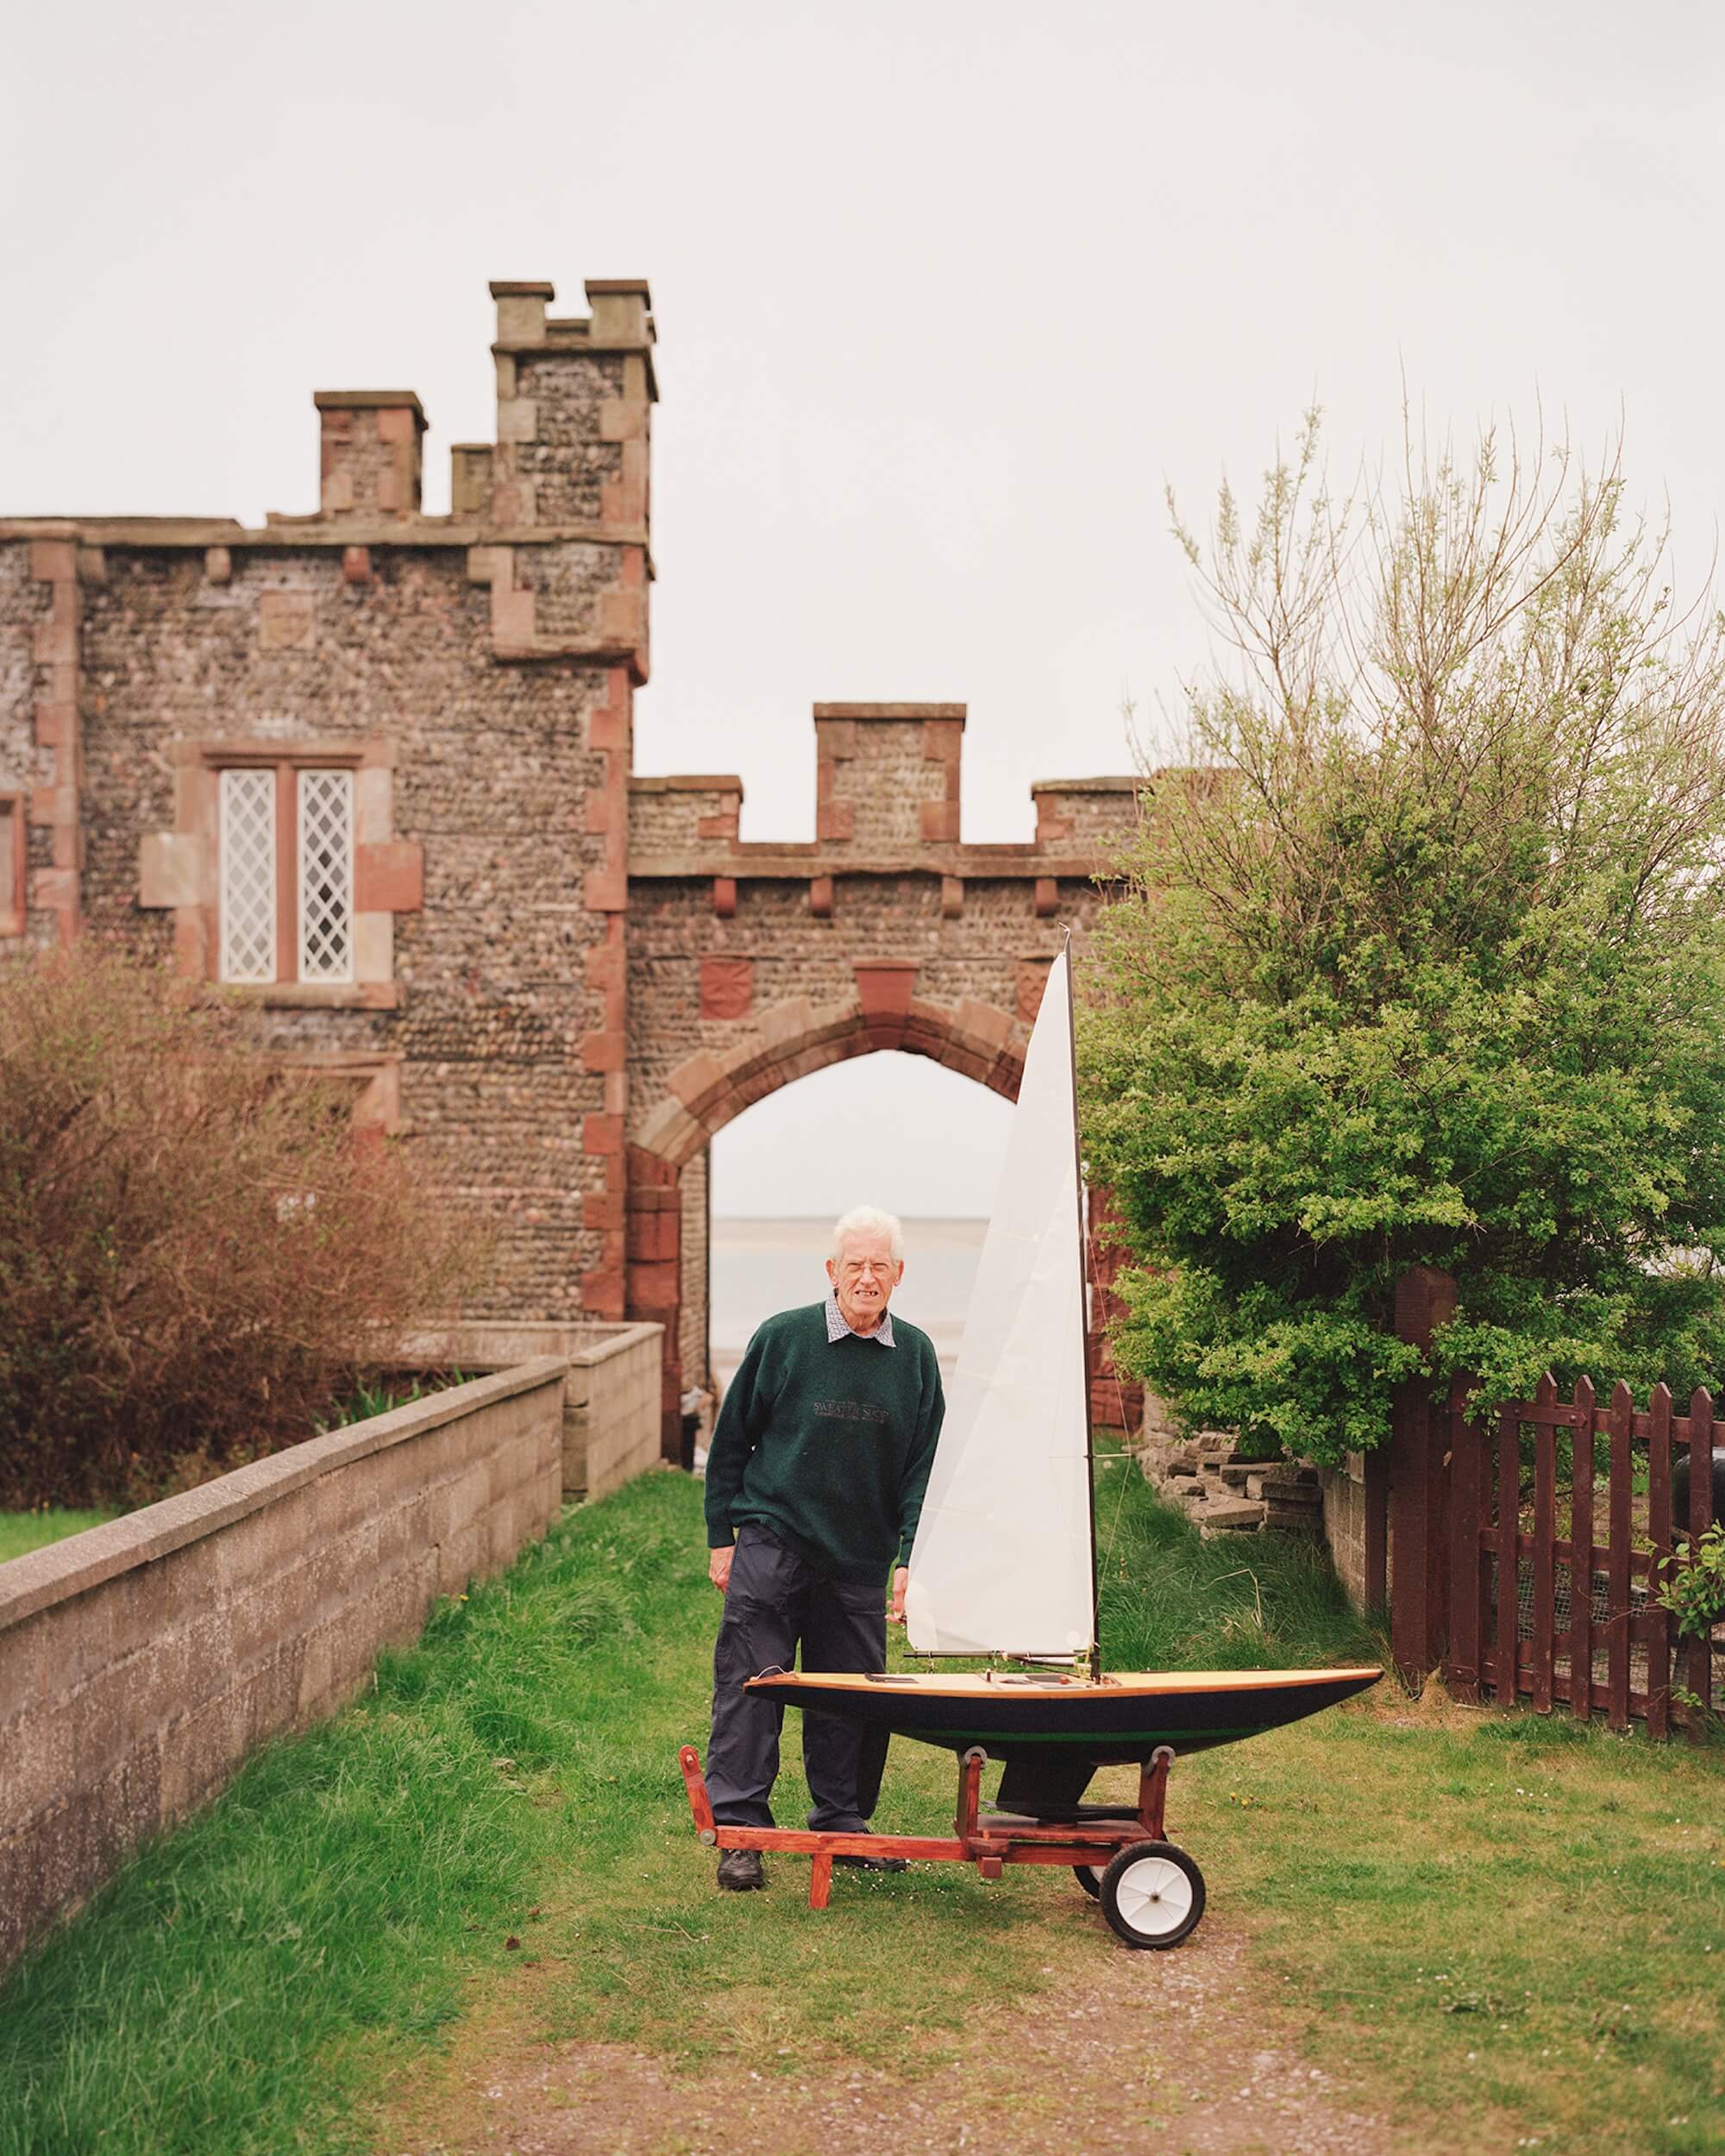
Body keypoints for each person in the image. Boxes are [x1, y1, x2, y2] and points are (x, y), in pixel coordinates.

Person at [702, 1204, 945, 1890]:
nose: (866, 1278)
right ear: (832, 1272)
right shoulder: (784, 1339)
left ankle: (842, 1824)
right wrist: (723, 1537)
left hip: (860, 1558)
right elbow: (730, 1444)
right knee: (753, 1689)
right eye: (854, 1265)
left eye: (879, 1266)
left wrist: (909, 1558)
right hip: (774, 1542)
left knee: (852, 1700)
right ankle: (742, 1834)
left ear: (898, 1275)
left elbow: (923, 1469)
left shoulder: (917, 1357)